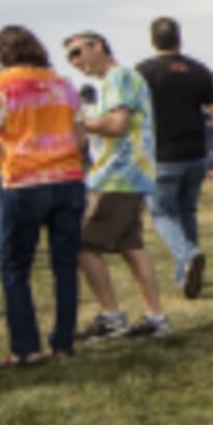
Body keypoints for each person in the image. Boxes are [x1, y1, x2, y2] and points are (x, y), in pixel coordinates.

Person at [0, 25, 86, 368]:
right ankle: (64, 342)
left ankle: (27, 346)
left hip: (22, 179)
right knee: (65, 264)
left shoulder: (0, 84)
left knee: (15, 265)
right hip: (67, 177)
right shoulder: (63, 84)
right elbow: (81, 137)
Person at [65, 31, 171, 340]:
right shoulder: (117, 80)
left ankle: (111, 316)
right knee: (131, 246)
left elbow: (116, 125)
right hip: (130, 174)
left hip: (117, 175)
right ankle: (155, 317)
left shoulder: (118, 77)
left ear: (97, 46)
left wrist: (75, 123)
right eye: (70, 57)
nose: (75, 62)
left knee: (83, 245)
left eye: (77, 52)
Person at [135, 16, 213, 297]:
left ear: (153, 40)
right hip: (195, 152)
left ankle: (187, 256)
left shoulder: (144, 72)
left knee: (162, 213)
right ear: (179, 38)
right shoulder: (198, 71)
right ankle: (183, 272)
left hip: (161, 154)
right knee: (187, 211)